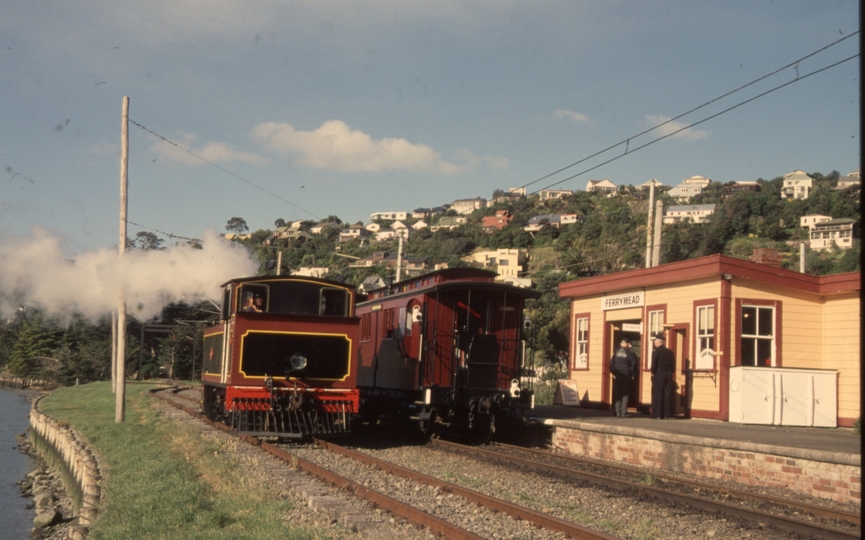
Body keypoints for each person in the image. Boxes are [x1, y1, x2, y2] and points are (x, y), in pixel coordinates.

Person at [609, 338, 637, 417]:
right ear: (627, 344)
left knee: (617, 393)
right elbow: (633, 365)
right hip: (626, 375)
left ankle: (617, 411)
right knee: (625, 394)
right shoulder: (630, 352)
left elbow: (612, 363)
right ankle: (623, 412)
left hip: (617, 375)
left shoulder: (616, 352)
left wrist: (613, 372)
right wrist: (632, 375)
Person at [650, 333, 675, 419]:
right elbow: (673, 364)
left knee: (658, 393)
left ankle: (657, 414)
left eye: (655, 341)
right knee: (666, 393)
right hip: (669, 373)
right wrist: (672, 372)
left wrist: (653, 372)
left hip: (659, 373)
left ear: (658, 342)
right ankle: (666, 414)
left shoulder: (656, 351)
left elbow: (654, 363)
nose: (654, 343)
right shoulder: (670, 352)